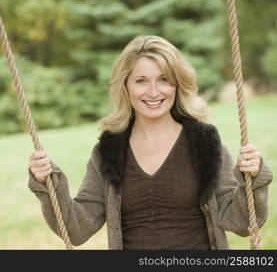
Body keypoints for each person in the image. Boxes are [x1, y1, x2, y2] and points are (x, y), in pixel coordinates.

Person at [28, 35, 272, 250]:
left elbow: (240, 222)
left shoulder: (203, 142)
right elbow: (77, 230)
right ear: (126, 86)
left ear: (177, 84)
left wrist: (253, 179)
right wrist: (49, 183)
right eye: (141, 80)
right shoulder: (109, 151)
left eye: (164, 79)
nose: (153, 92)